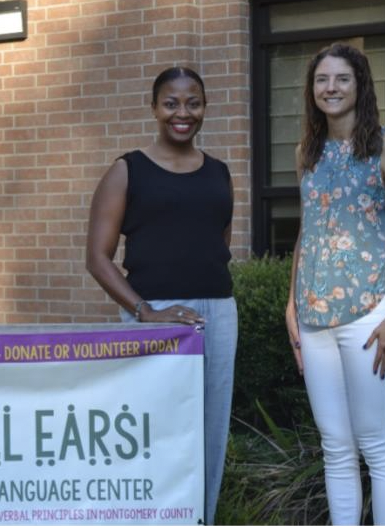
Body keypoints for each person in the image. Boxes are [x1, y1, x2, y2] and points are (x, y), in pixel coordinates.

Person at [86, 66, 237, 525]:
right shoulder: (127, 170)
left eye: (193, 103)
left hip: (217, 314)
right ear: (154, 108)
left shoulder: (219, 172)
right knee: (153, 431)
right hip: (154, 318)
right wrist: (144, 311)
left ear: (204, 108)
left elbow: (219, 244)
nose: (183, 113)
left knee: (210, 435)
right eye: (171, 103)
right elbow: (98, 257)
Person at [285, 42, 385, 525]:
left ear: (359, 85)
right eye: (322, 80)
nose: (331, 88)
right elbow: (307, 229)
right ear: (312, 89)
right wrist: (291, 303)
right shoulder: (307, 150)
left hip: (370, 313)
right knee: (335, 446)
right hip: (314, 317)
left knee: (377, 442)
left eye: (342, 78)